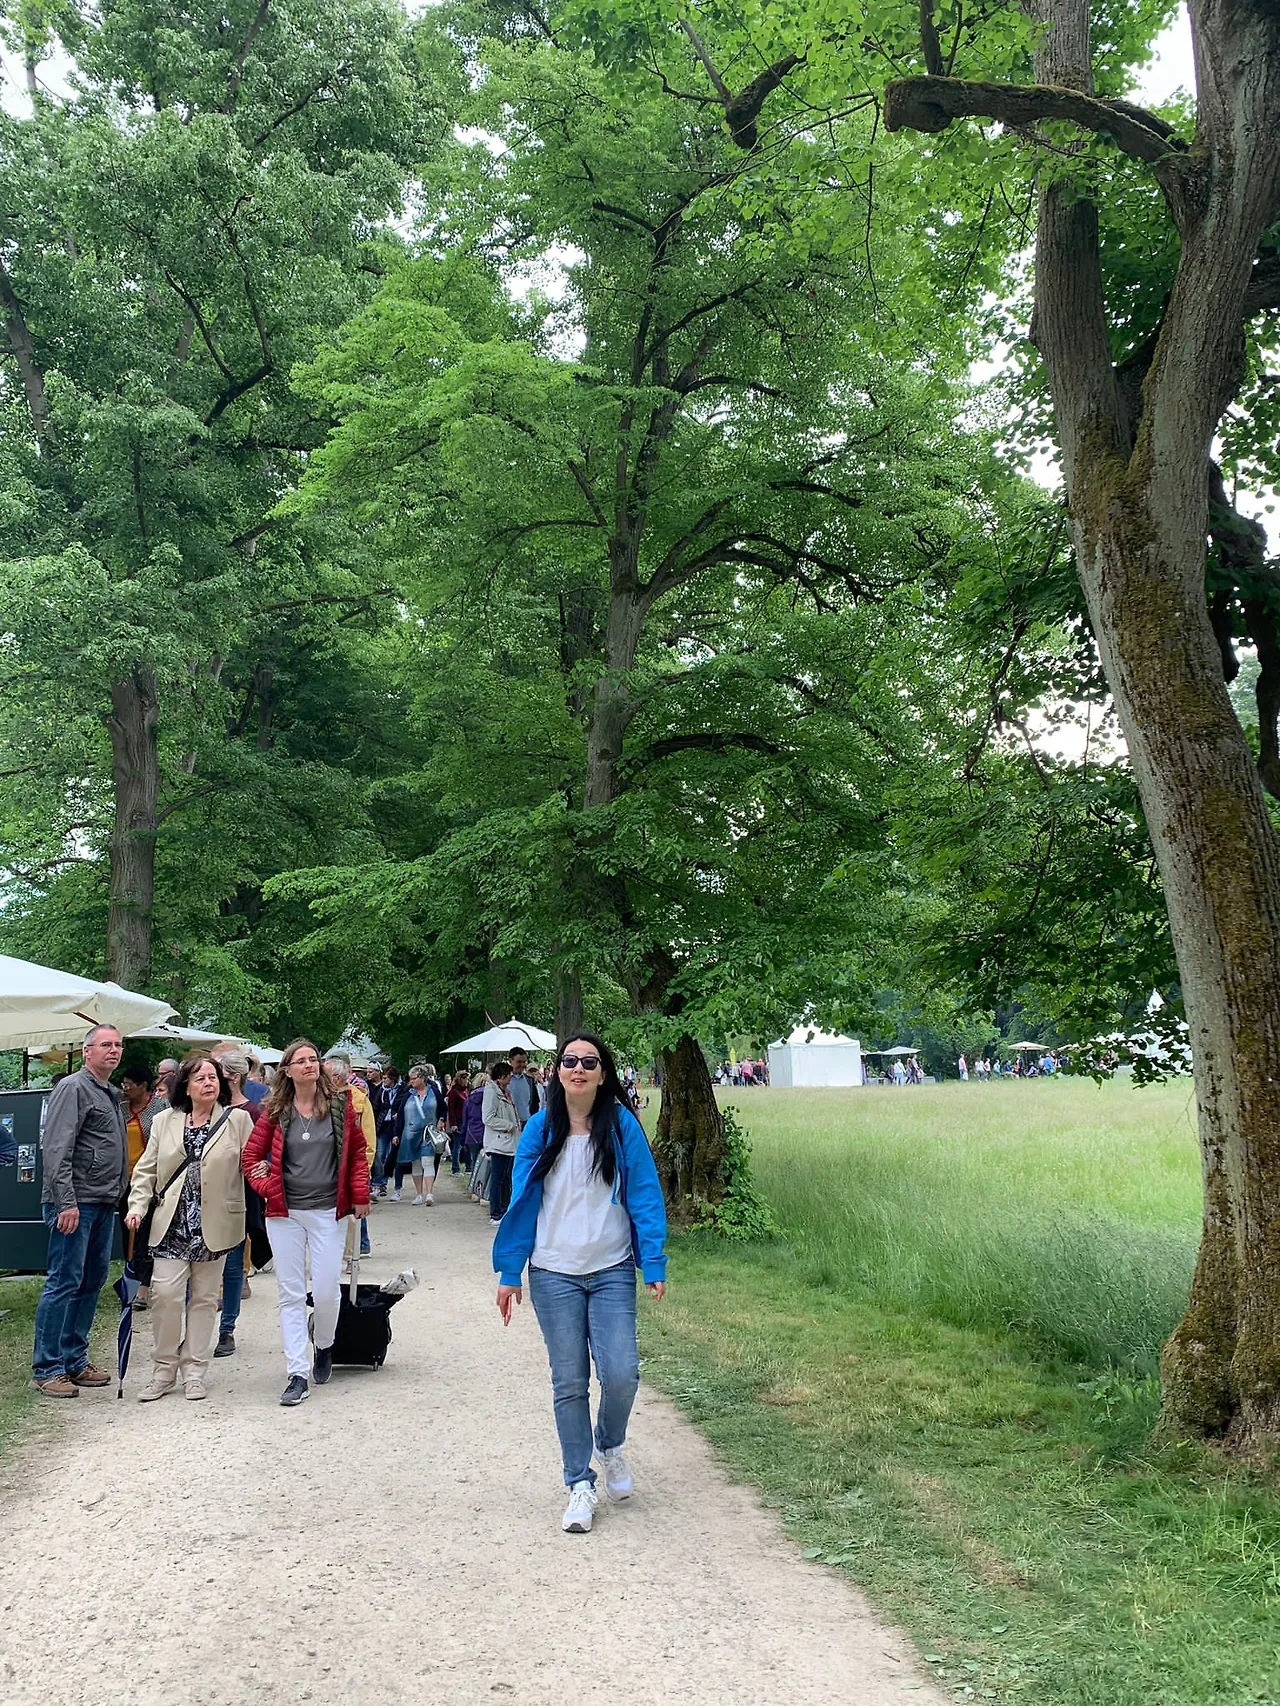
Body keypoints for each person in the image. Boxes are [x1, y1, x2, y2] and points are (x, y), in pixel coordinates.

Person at [493, 1032, 667, 1535]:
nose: (578, 1069)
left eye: (589, 1062)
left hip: (611, 1268)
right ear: (557, 1071)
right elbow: (521, 1204)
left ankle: (608, 1444)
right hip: (554, 1273)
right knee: (569, 1382)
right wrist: (510, 1271)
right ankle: (579, 1482)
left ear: (603, 1073)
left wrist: (653, 1261)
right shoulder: (540, 1128)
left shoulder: (622, 1126)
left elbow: (645, 1193)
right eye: (569, 1061)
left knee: (622, 1373)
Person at [242, 1037, 371, 1407]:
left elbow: (357, 1153)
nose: (309, 1065)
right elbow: (250, 1157)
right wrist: (267, 1186)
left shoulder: (340, 1106)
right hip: (285, 1213)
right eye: (300, 1060)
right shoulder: (275, 1110)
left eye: (313, 1059)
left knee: (328, 1289)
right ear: (287, 1070)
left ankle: (325, 1344)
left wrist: (360, 1195)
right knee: (291, 1293)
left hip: (328, 1211)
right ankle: (297, 1372)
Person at [125, 1056, 253, 1401]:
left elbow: (253, 1163)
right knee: (165, 1295)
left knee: (204, 1300)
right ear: (186, 1086)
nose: (208, 1083)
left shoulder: (238, 1120)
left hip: (215, 1224)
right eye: (200, 1078)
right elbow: (147, 1170)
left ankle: (194, 1371)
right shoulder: (165, 1120)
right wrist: (136, 1206)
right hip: (172, 1223)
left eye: (213, 1077)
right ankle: (163, 1370)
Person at [31, 1025, 129, 1399]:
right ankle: (47, 1368)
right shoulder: (73, 1087)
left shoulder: (108, 1092)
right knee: (64, 1281)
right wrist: (65, 1202)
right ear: (87, 1051)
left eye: (118, 1045)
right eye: (106, 1044)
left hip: (102, 1202)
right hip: (76, 1203)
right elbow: (57, 1147)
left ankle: (74, 1360)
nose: (113, 1050)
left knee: (90, 1281)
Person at [210, 1047, 268, 1358]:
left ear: (232, 1077)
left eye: (216, 1073)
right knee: (200, 1268)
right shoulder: (205, 1109)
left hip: (237, 1198)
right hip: (204, 1199)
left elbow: (258, 1159)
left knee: (232, 1267)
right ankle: (195, 1331)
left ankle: (226, 1329)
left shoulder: (251, 1113)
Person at [324, 1049, 377, 1261]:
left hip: (351, 1166)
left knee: (354, 1213)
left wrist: (364, 1171)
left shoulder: (359, 1099)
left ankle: (354, 1253)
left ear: (337, 1076)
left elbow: (368, 1139)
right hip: (325, 1169)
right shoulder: (318, 1098)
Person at [118, 1058, 160, 1308]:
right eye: (123, 1085)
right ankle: (130, 1281)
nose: (125, 1089)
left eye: (129, 1085)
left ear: (143, 1085)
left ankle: (142, 1289)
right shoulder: (120, 1108)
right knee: (129, 1234)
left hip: (149, 1181)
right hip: (124, 1181)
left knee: (144, 1235)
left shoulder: (160, 1108)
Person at [398, 1065, 444, 1204]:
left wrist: (441, 1119)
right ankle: (419, 1194)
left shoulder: (434, 1092)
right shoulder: (408, 1094)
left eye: (414, 1078)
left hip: (428, 1132)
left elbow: (443, 1108)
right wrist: (396, 1134)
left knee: (427, 1161)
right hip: (411, 1134)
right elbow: (400, 1115)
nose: (411, 1081)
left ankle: (429, 1193)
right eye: (410, 1078)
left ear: (422, 1078)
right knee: (416, 1163)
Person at [482, 1060, 521, 1224]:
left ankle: (504, 1209)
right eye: (508, 1075)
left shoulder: (505, 1092)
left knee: (506, 1178)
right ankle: (495, 1213)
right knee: (497, 1178)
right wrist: (509, 1126)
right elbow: (488, 1118)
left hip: (509, 1142)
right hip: (499, 1143)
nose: (511, 1078)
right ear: (501, 1076)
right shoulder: (491, 1092)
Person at [371, 1062, 410, 1200]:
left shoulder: (403, 1090)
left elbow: (405, 1104)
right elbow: (376, 1107)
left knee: (393, 1157)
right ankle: (378, 1185)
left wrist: (400, 1113)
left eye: (386, 1078)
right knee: (380, 1155)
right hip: (383, 1125)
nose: (383, 1081)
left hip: (396, 1126)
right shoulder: (381, 1091)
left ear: (393, 1078)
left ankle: (394, 1187)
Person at [463, 1072, 489, 1194]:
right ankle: (485, 1189)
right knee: (487, 1163)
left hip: (472, 1134)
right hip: (487, 1133)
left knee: (475, 1163)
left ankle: (474, 1189)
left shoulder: (469, 1099)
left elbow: (465, 1119)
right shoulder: (491, 1098)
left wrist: (463, 1138)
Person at [507, 1047, 539, 1130]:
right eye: (519, 1062)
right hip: (509, 1124)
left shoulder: (530, 1081)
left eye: (524, 1062)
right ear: (510, 1061)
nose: (522, 1065)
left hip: (527, 1124)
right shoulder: (502, 1082)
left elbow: (535, 1103)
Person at [446, 1069, 471, 1174]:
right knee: (457, 1145)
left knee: (467, 1144)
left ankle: (469, 1166)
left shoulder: (465, 1091)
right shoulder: (454, 1092)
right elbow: (451, 1109)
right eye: (465, 1079)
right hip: (458, 1120)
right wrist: (453, 1124)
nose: (467, 1081)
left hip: (466, 1120)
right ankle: (455, 1168)